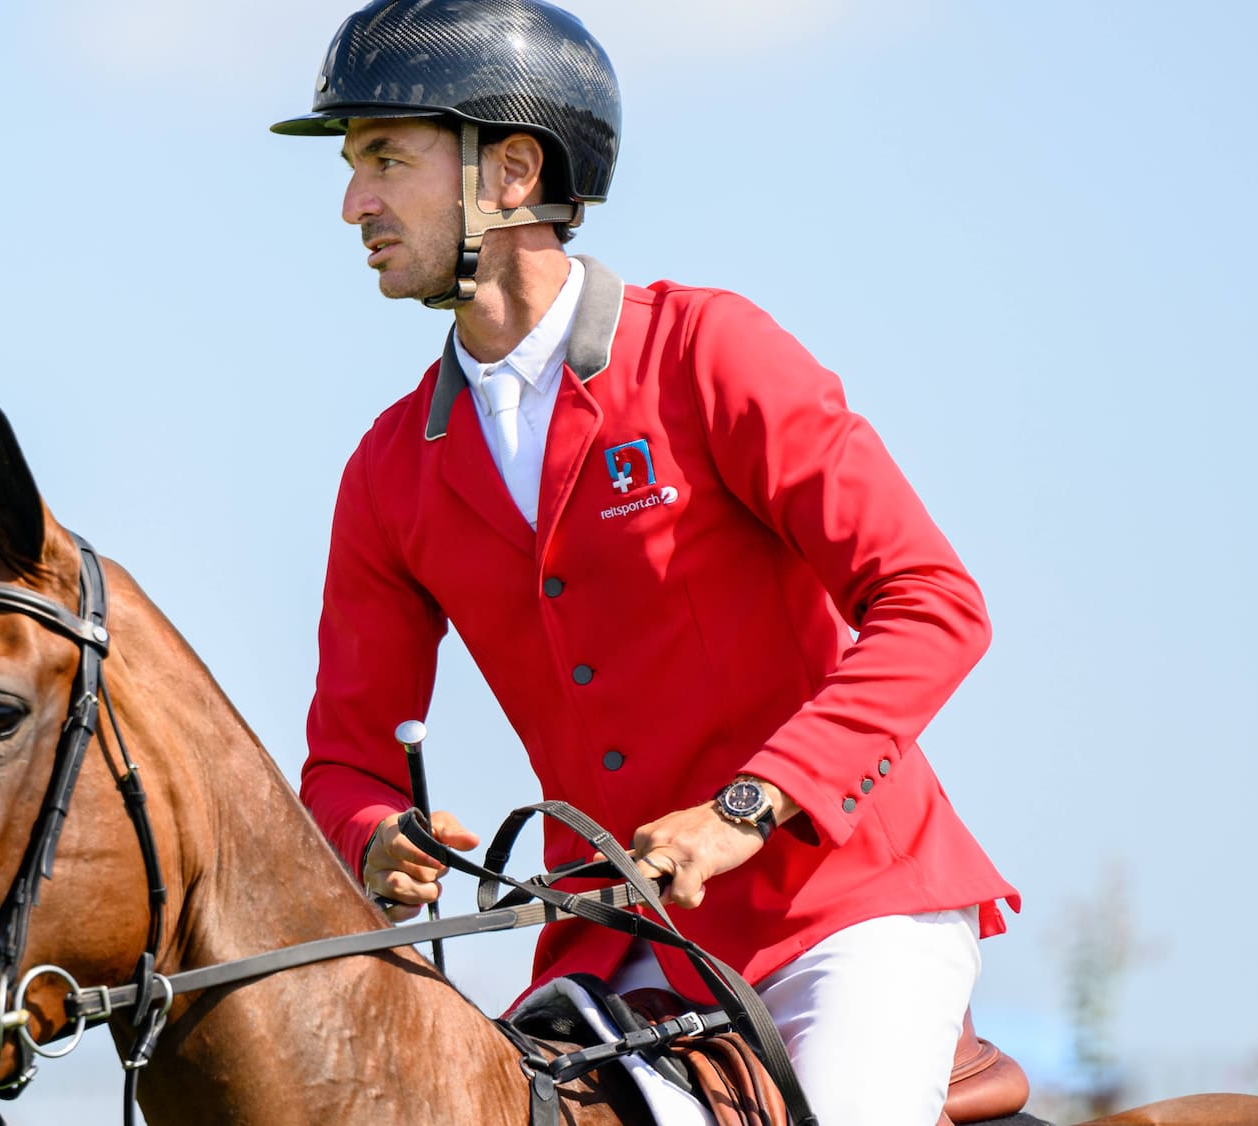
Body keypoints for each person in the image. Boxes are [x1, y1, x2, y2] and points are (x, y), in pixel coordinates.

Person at [272, 2, 1020, 1124]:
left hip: (841, 917)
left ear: (512, 171)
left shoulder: (709, 353)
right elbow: (344, 759)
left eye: (384, 159)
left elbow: (931, 605)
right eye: (349, 166)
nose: (351, 203)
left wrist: (743, 807)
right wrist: (375, 835)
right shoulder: (385, 467)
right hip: (613, 947)